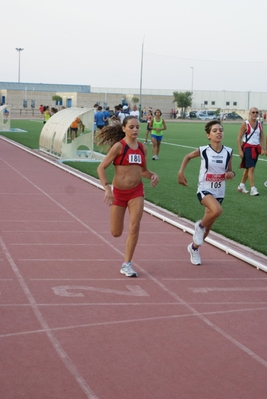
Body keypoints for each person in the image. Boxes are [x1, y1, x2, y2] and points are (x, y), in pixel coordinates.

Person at [96, 116, 159, 277]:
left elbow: (143, 171)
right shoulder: (119, 147)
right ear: (124, 128)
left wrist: (152, 175)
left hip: (136, 192)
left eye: (138, 127)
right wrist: (107, 187)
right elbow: (101, 168)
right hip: (119, 192)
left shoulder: (142, 148)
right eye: (131, 127)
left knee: (134, 226)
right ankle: (126, 262)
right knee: (116, 232)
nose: (135, 130)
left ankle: (127, 263)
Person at [178, 120, 235, 265]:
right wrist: (181, 172)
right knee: (217, 210)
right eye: (215, 130)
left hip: (219, 191)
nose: (218, 132)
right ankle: (199, 226)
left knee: (208, 229)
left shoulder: (228, 151)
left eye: (220, 130)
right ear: (208, 135)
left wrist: (230, 174)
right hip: (204, 188)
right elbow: (187, 157)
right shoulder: (203, 150)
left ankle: (194, 248)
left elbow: (230, 170)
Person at [237, 107, 264, 196]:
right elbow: (239, 138)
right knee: (251, 168)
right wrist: (240, 150)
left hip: (256, 148)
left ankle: (241, 185)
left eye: (257, 112)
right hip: (247, 148)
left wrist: (263, 148)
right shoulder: (245, 124)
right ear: (250, 113)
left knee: (249, 168)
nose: (255, 114)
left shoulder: (260, 124)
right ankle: (253, 189)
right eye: (253, 112)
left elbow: (262, 137)